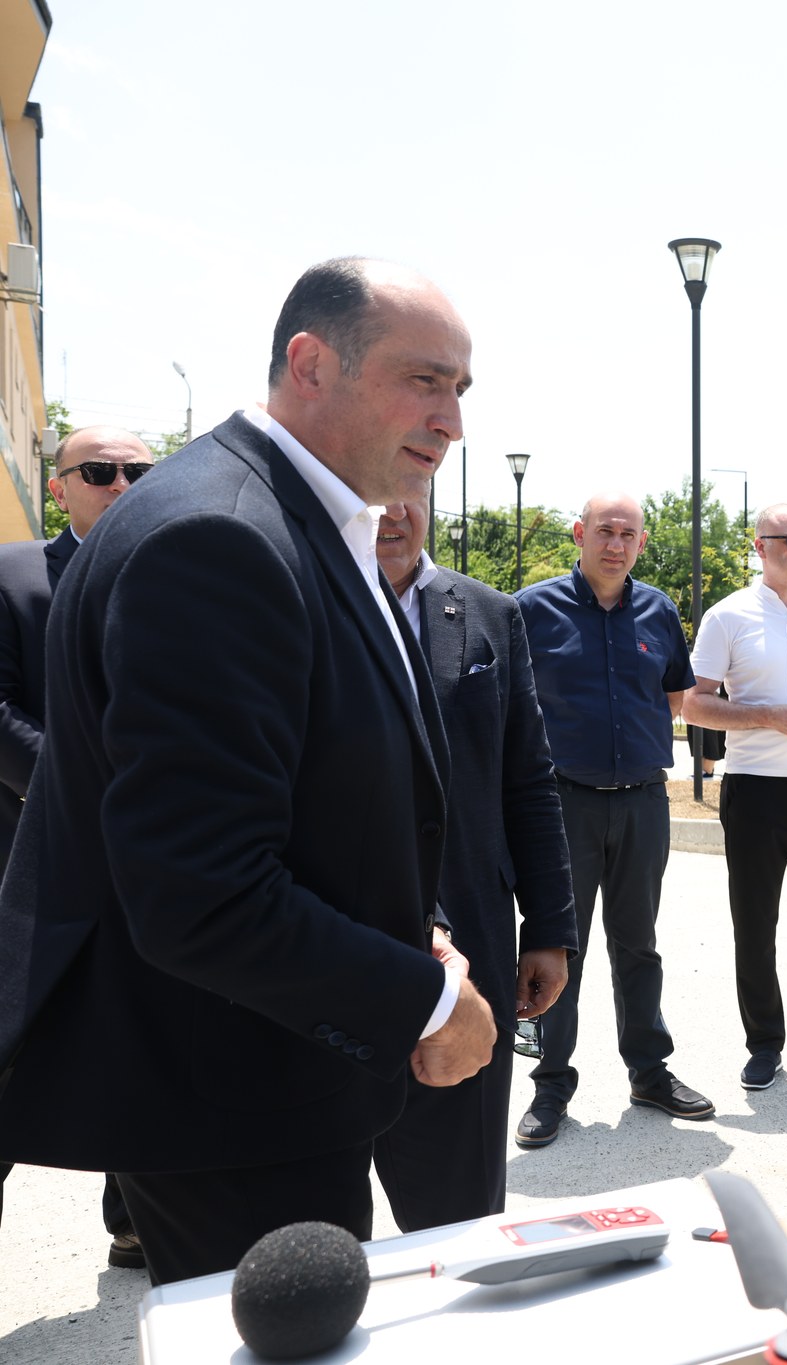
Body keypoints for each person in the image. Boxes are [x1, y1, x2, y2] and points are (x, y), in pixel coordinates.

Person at [0, 257, 497, 1285]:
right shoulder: (219, 536)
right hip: (230, 1102)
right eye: (423, 379)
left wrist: (420, 930)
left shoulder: (294, 519)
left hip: (263, 1076)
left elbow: (316, 792)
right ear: (310, 364)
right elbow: (202, 892)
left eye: (460, 388)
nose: (451, 420)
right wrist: (427, 1001)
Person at [370, 500, 576, 1229]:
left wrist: (548, 928)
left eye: (411, 487)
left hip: (473, 950)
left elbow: (528, 781)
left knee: (461, 1224)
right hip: (332, 946)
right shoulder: (293, 595)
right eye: (375, 488)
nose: (392, 510)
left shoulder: (490, 613)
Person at [0, 425, 153, 1268]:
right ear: (58, 486)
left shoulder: (177, 577)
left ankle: (136, 1220)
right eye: (99, 471)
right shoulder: (13, 574)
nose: (121, 483)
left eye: (138, 470)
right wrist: (84, 789)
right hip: (33, 863)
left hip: (144, 870)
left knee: (140, 1041)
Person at [516, 491, 709, 1146]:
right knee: (558, 943)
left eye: (628, 534)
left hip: (643, 802)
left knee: (638, 944)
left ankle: (649, 1072)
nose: (616, 543)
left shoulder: (659, 610)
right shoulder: (531, 609)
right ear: (580, 533)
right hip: (562, 802)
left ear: (642, 544)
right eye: (605, 530)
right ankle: (550, 1084)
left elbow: (675, 698)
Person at [683, 502, 787, 1093]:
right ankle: (765, 1045)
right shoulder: (728, 616)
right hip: (756, 794)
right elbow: (693, 703)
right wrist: (767, 716)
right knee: (755, 928)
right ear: (760, 546)